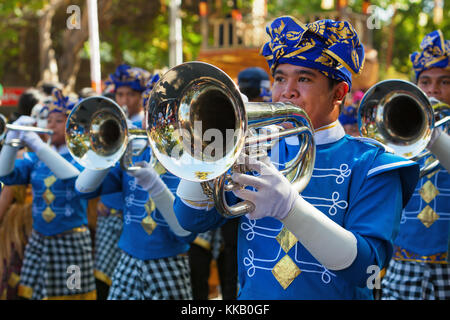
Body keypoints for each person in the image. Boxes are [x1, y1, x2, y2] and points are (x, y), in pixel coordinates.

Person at [173, 16, 420, 300]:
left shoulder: (373, 164)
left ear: (338, 93)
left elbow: (369, 271)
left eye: (304, 78)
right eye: (279, 78)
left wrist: (291, 209)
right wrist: (210, 149)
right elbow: (188, 219)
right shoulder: (255, 147)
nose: (286, 91)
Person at [74, 83, 196, 300]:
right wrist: (110, 147)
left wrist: (154, 185)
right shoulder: (134, 152)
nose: (153, 120)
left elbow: (185, 232)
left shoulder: (190, 161)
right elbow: (83, 188)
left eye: (164, 113)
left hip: (168, 260)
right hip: (128, 258)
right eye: (150, 111)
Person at [0, 88, 96, 300]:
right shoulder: (34, 159)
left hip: (72, 243)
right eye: (49, 120)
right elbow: (5, 174)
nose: (51, 125)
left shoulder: (84, 159)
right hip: (39, 240)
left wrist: (37, 144)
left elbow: (75, 181)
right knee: (34, 294)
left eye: (59, 121)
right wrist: (11, 141)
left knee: (74, 294)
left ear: (75, 126)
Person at [381, 30, 450, 300]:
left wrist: (435, 137)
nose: (433, 90)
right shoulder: (401, 131)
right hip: (403, 263)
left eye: (444, 82)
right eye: (426, 82)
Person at [92, 66, 154, 299]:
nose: (124, 100)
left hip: (141, 215)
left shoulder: (146, 124)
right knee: (105, 277)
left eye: (130, 95)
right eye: (120, 95)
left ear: (141, 97)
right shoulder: (115, 122)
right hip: (110, 213)